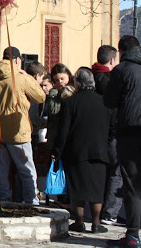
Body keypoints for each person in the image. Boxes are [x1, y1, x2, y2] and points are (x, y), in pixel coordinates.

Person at [52, 67, 110, 234]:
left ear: (77, 83)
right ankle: (97, 223)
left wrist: (57, 150)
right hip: (99, 151)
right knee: (97, 188)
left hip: (76, 152)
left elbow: (63, 131)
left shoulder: (70, 103)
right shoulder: (104, 102)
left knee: (77, 188)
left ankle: (79, 221)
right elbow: (112, 128)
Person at [0, 47, 46, 204]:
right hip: (18, 129)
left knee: (1, 171)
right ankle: (31, 201)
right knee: (27, 170)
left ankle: (4, 200)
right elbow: (40, 97)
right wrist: (28, 77)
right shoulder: (21, 78)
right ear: (17, 60)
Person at [105, 36, 141, 247]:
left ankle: (133, 236)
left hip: (130, 133)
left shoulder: (122, 70)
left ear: (121, 52)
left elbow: (109, 100)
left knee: (133, 186)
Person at [92, 45, 124, 226]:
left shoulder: (89, 76)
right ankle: (110, 212)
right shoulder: (113, 80)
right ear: (112, 60)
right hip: (112, 132)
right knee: (116, 173)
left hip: (94, 133)